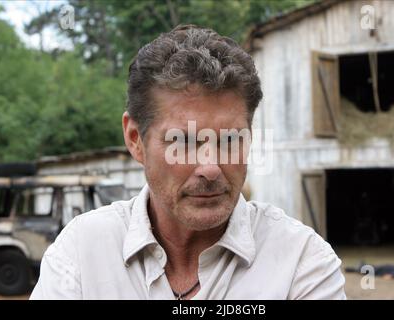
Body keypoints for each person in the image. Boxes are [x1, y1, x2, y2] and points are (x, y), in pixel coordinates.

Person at [30, 25, 346, 300]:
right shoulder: (81, 253)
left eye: (230, 140)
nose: (210, 168)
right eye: (184, 142)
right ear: (135, 139)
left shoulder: (301, 263)